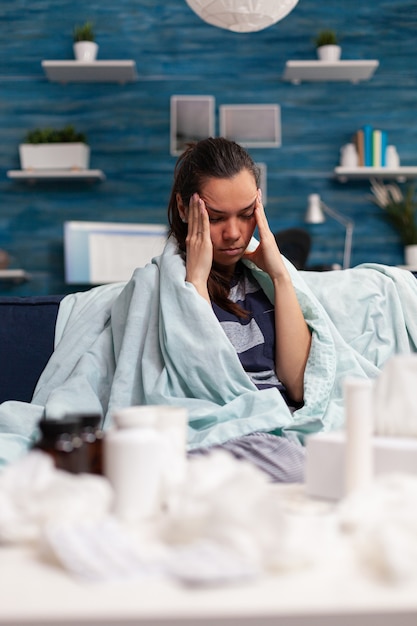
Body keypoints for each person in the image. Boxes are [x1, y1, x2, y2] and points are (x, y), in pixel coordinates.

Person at [167, 137, 312, 480]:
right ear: (185, 209)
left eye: (246, 215)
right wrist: (198, 282)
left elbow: (298, 385)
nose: (234, 233)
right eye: (216, 218)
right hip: (215, 429)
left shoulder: (265, 279)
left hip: (275, 426)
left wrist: (279, 275)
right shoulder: (167, 284)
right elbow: (203, 385)